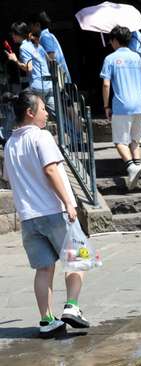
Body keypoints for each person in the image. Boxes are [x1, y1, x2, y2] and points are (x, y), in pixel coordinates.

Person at [1, 91, 88, 337]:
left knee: (44, 268)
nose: (47, 113)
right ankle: (72, 307)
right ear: (30, 113)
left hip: (28, 218)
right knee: (79, 257)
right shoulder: (41, 136)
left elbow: (9, 178)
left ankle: (46, 320)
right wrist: (68, 203)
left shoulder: (9, 144)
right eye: (43, 109)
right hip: (54, 211)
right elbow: (51, 170)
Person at [101, 26, 141, 191]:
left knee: (119, 141)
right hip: (139, 104)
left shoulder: (110, 59)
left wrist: (106, 106)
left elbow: (106, 84)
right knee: (134, 140)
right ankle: (139, 166)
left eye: (111, 41)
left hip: (121, 105)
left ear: (115, 40)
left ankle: (131, 166)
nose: (111, 44)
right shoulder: (139, 56)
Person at [6, 22, 54, 116]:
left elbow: (29, 68)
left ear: (17, 34)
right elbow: (49, 60)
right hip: (49, 84)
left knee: (19, 105)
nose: (12, 37)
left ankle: (7, 130)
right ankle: (73, 129)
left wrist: (15, 60)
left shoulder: (23, 47)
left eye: (13, 34)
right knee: (56, 113)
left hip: (37, 86)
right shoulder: (36, 44)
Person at [29, 12, 70, 83]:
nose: (30, 28)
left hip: (60, 80)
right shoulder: (46, 36)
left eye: (31, 25)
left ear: (37, 25)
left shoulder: (45, 37)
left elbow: (51, 59)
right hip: (60, 79)